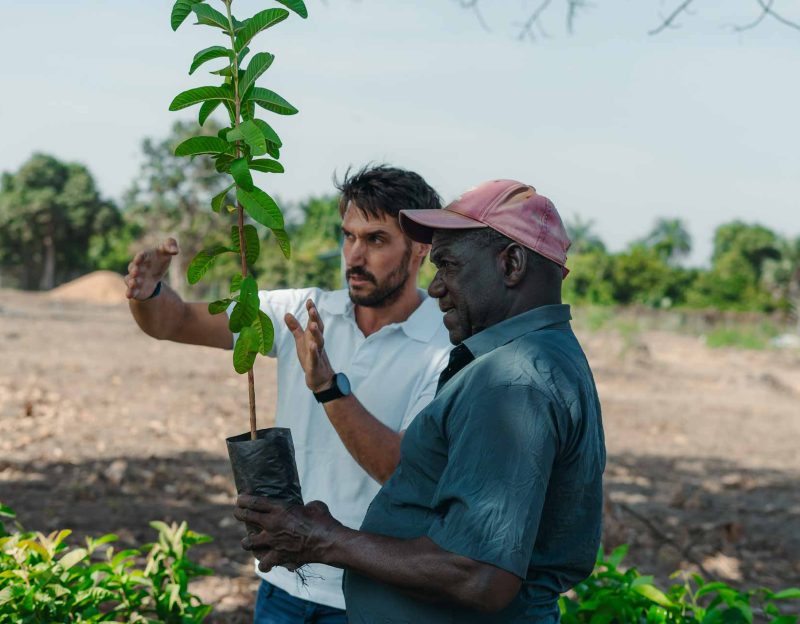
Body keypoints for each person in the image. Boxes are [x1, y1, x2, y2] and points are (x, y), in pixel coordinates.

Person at [234, 179, 607, 623]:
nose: (435, 288)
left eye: (447, 265)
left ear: (511, 264)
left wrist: (323, 539)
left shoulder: (513, 382)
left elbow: (479, 575)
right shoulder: (541, 355)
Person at [125, 165, 453, 623]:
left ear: (421, 246)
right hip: (283, 582)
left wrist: (327, 387)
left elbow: (404, 473)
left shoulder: (445, 347)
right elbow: (174, 322)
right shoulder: (302, 311)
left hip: (372, 595)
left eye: (376, 240)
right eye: (348, 236)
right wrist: (149, 293)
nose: (354, 256)